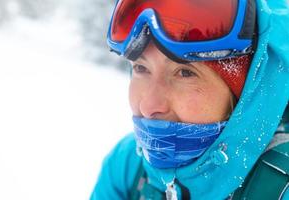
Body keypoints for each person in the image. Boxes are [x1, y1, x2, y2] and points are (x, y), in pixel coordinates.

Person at [91, 0, 289, 199]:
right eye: (141, 68)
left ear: (247, 93)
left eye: (185, 73)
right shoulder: (128, 164)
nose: (148, 106)